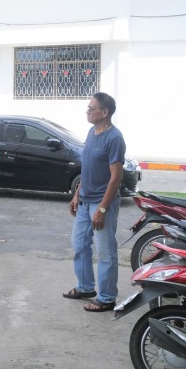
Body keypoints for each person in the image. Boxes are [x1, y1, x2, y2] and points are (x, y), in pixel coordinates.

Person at [64, 92, 126, 312]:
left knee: (105, 252)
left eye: (91, 109)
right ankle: (85, 287)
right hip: (84, 202)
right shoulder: (92, 132)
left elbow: (116, 178)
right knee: (79, 245)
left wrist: (102, 209)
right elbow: (88, 168)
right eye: (88, 108)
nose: (87, 112)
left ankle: (107, 298)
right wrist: (77, 194)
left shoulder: (114, 138)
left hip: (101, 203)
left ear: (104, 112)